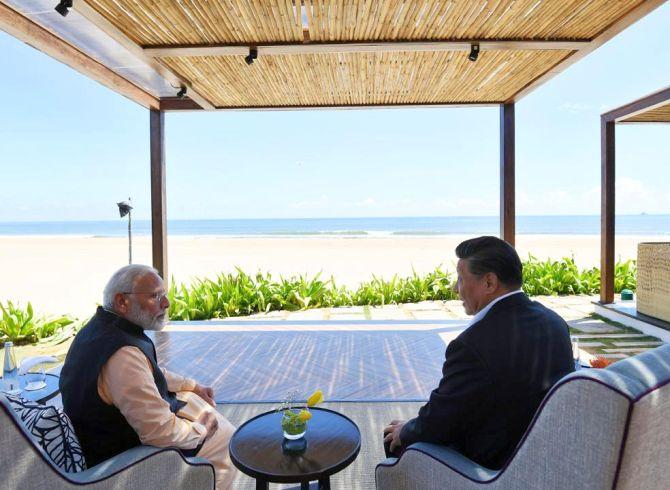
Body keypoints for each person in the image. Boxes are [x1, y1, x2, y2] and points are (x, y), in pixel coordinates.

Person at [383, 236, 575, 469]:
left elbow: (439, 421)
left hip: (493, 466)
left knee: (394, 440)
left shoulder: (471, 345)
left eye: (461, 279)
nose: (455, 288)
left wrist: (407, 430)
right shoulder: (555, 322)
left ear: (489, 283)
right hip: (544, 454)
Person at [60, 264, 237, 489]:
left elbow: (147, 372)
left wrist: (192, 386)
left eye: (164, 294)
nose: (166, 303)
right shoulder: (122, 354)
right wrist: (201, 430)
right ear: (122, 301)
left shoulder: (104, 328)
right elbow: (158, 432)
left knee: (193, 399)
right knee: (227, 442)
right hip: (121, 457)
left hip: (112, 427)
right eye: (155, 296)